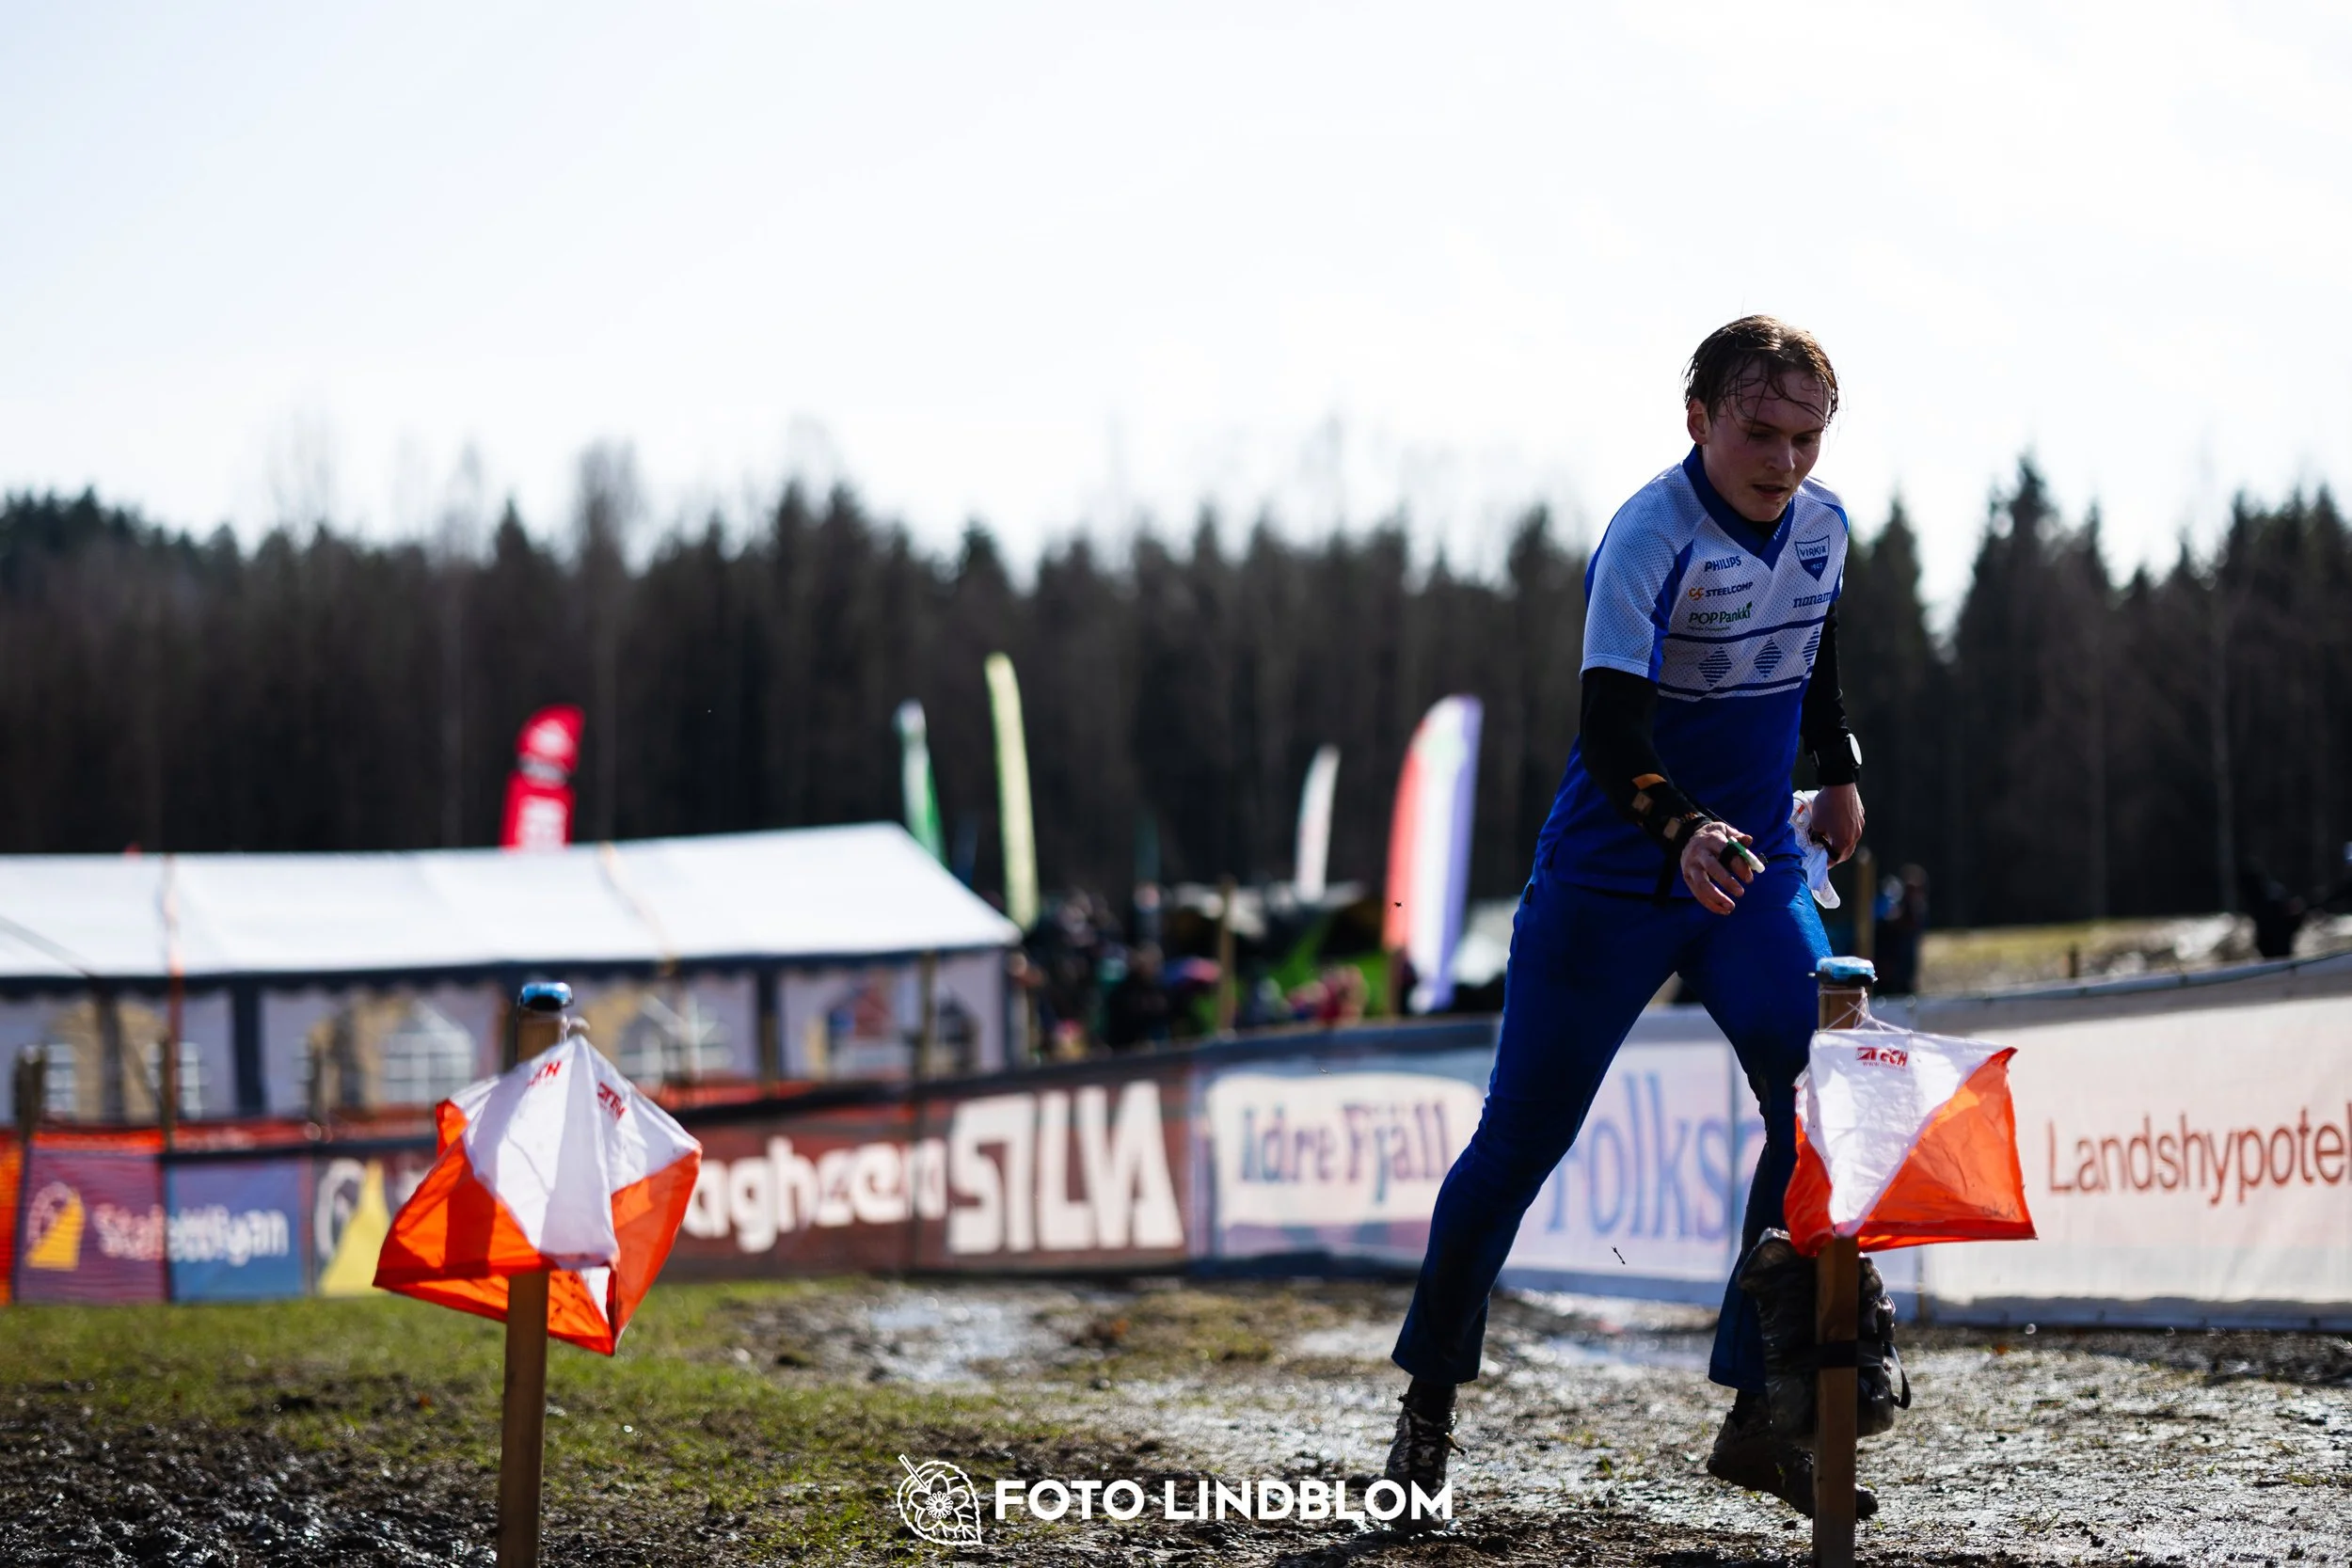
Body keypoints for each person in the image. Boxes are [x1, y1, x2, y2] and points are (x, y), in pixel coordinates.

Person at [1383, 316, 1870, 1521]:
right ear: (1697, 415)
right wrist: (1682, 828)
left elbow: (1811, 653)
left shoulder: (1825, 526)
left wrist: (1840, 763)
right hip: (1614, 880)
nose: (1784, 460)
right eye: (1760, 430)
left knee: (1818, 1102)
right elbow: (1609, 730)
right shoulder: (1648, 535)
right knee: (1518, 1146)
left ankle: (1761, 1407)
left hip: (1748, 871)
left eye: (1807, 436)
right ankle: (1427, 1402)